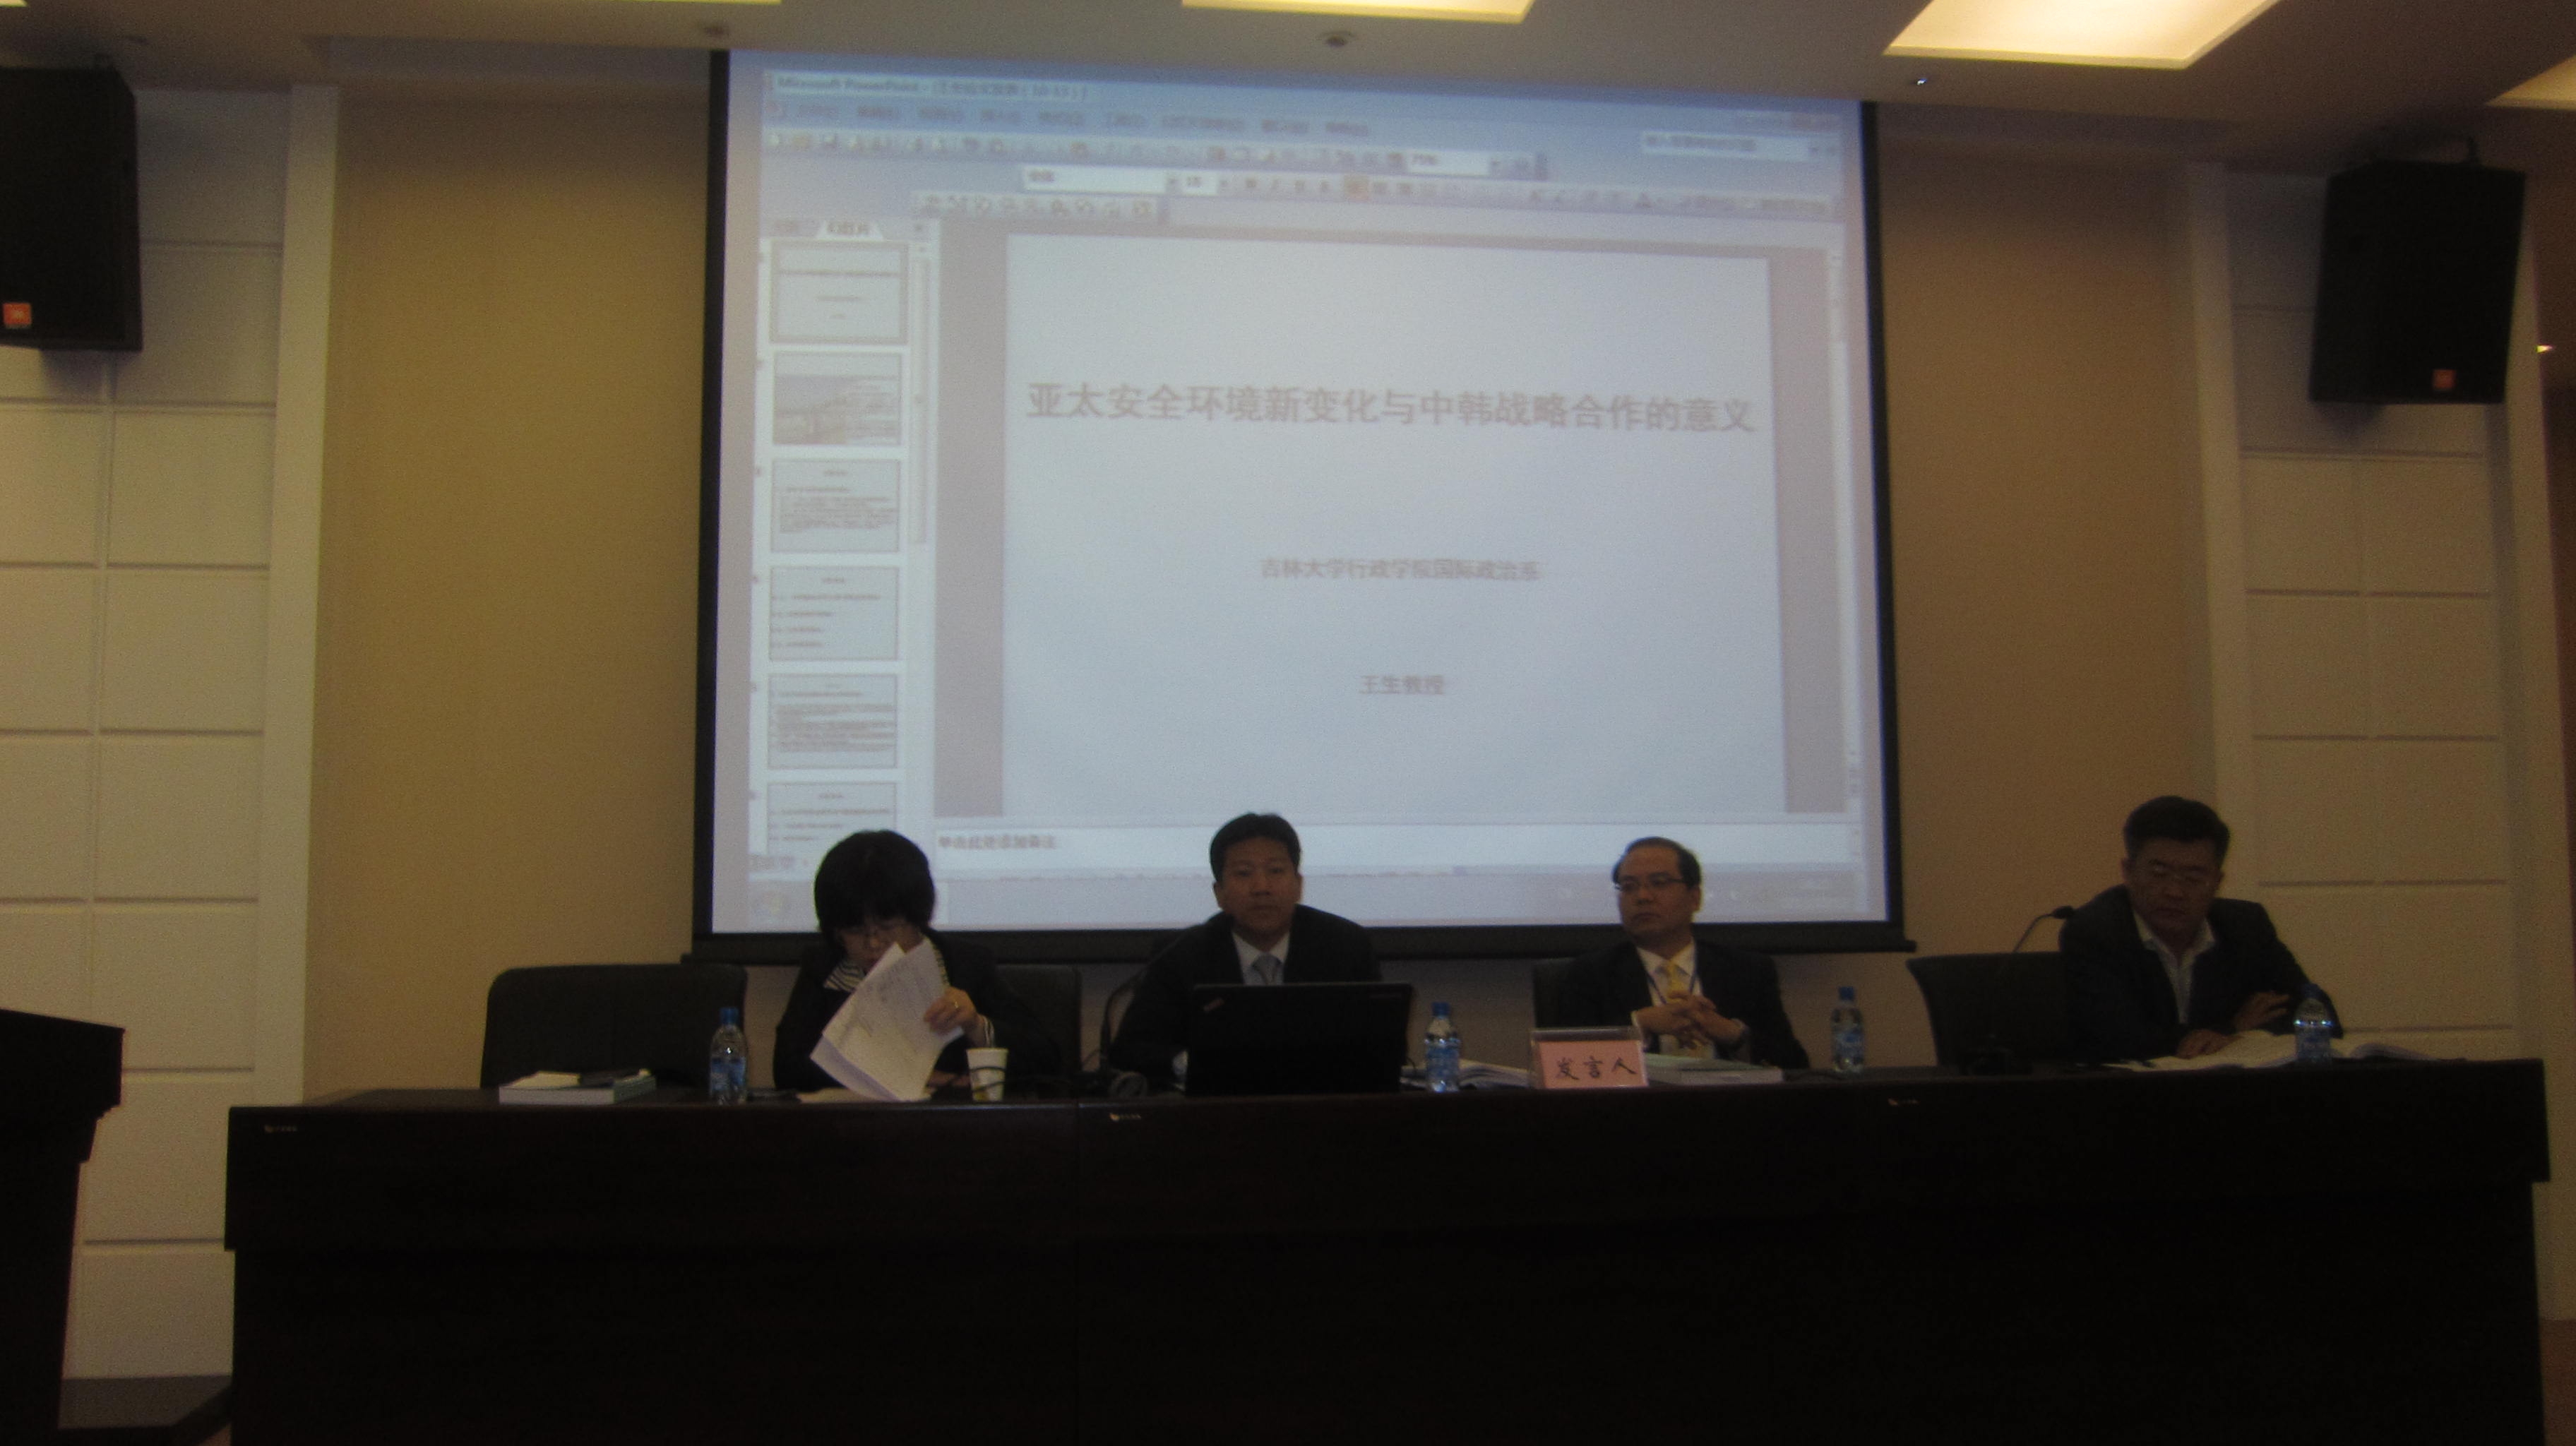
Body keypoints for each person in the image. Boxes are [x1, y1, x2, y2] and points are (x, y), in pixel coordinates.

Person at [773, 830, 1061, 1092]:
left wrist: (976, 1025)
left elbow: (1048, 1060)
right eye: (856, 931)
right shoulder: (824, 969)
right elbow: (788, 1069)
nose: (873, 944)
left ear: (917, 919)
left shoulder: (966, 964)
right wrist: (915, 1078)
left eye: (887, 928)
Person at [1106, 813, 1380, 1086]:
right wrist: (1194, 1063)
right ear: (1220, 893)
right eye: (1244, 873)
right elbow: (1131, 1051)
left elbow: (1381, 1044)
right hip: (1220, 1107)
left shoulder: (1345, 945)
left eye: (1275, 871)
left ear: (1298, 885)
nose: (1262, 888)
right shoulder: (1182, 953)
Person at [2061, 795, 2334, 1063]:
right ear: (2128, 872)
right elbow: (2115, 1037)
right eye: (2159, 874)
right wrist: (2231, 1028)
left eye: (2193, 877)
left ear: (2217, 882)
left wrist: (2239, 1036)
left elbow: (2319, 1017)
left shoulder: (2245, 926)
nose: (2174, 891)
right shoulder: (2095, 931)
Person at [1549, 837, 1808, 1068]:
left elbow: (1795, 1065)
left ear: (1695, 898)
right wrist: (1640, 1025)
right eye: (1629, 886)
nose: (1642, 896)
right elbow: (1566, 1065)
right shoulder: (1589, 974)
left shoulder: (1748, 970)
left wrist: (1732, 1033)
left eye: (1659, 883)